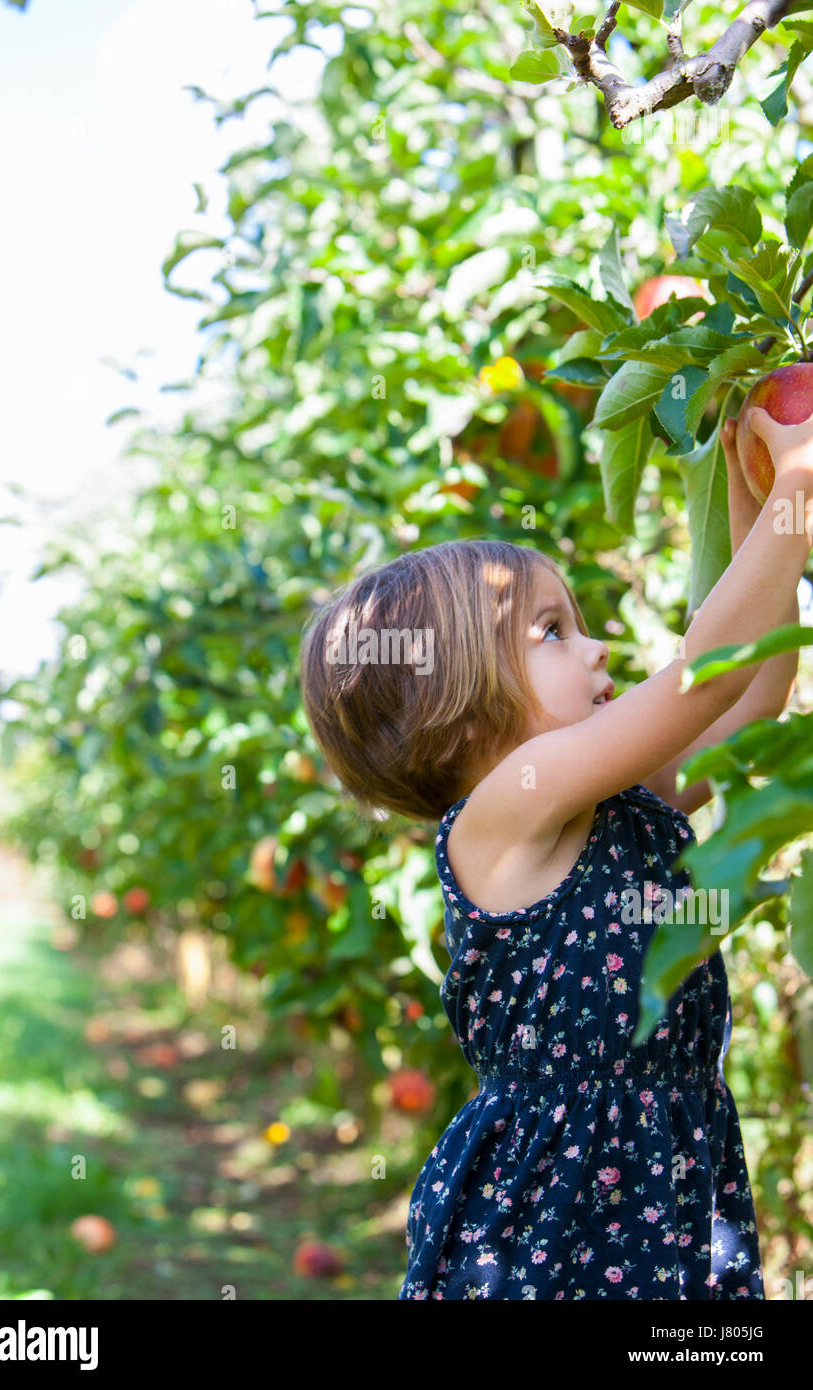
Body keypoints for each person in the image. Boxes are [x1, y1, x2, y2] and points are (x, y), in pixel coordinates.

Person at [298, 403, 813, 1299]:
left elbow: (747, 693)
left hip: (670, 1179)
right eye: (552, 633)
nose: (598, 644)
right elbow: (702, 678)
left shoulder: (617, 799)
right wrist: (799, 489)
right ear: (456, 712)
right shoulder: (502, 815)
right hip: (558, 1218)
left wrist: (754, 492)